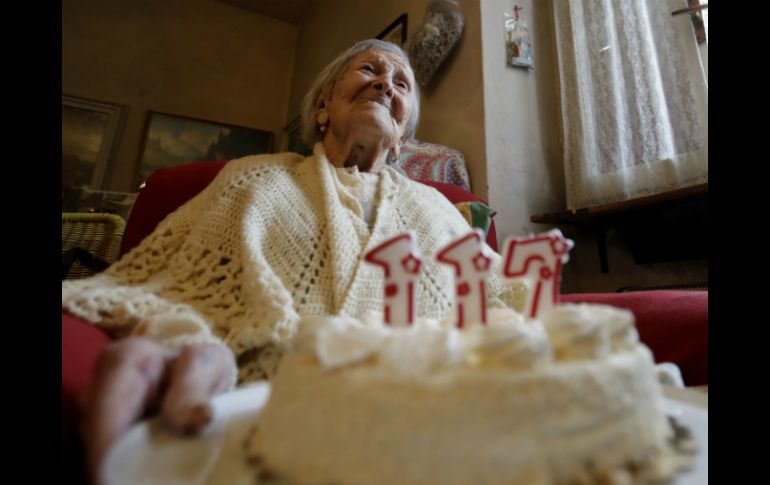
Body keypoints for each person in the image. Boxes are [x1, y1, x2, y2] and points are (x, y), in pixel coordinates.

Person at [63, 39, 525, 484]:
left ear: (403, 136)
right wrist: (182, 337)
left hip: (426, 425)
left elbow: (509, 298)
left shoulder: (440, 210)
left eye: (401, 83)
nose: (385, 83)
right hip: (253, 412)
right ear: (323, 106)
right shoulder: (253, 178)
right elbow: (162, 284)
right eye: (369, 69)